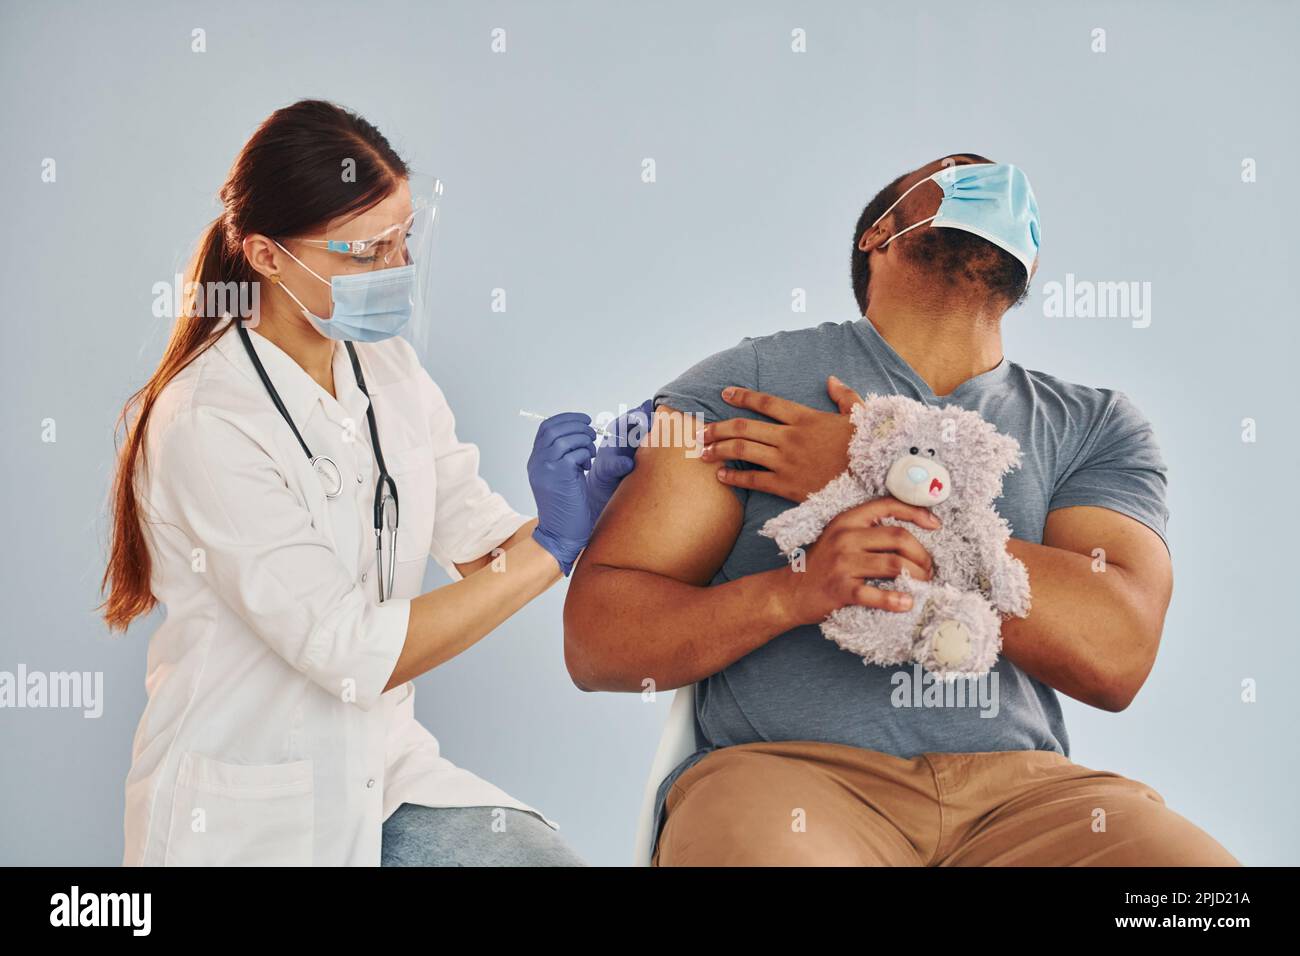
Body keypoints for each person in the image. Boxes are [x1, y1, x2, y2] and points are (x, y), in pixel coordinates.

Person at [564, 154, 1240, 866]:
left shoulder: (1096, 425)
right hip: (791, 779)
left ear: (1030, 272)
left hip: (1027, 802)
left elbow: (1115, 655)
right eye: (955, 173)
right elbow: (600, 642)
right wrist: (790, 595)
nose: (1000, 185)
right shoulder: (746, 385)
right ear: (879, 234)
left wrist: (875, 478)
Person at [101, 100, 643, 867]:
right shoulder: (206, 419)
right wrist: (552, 547)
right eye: (364, 251)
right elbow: (351, 652)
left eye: (403, 240)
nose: (396, 271)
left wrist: (595, 501)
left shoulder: (388, 369)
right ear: (264, 256)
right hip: (246, 814)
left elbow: (479, 544)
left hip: (382, 777)